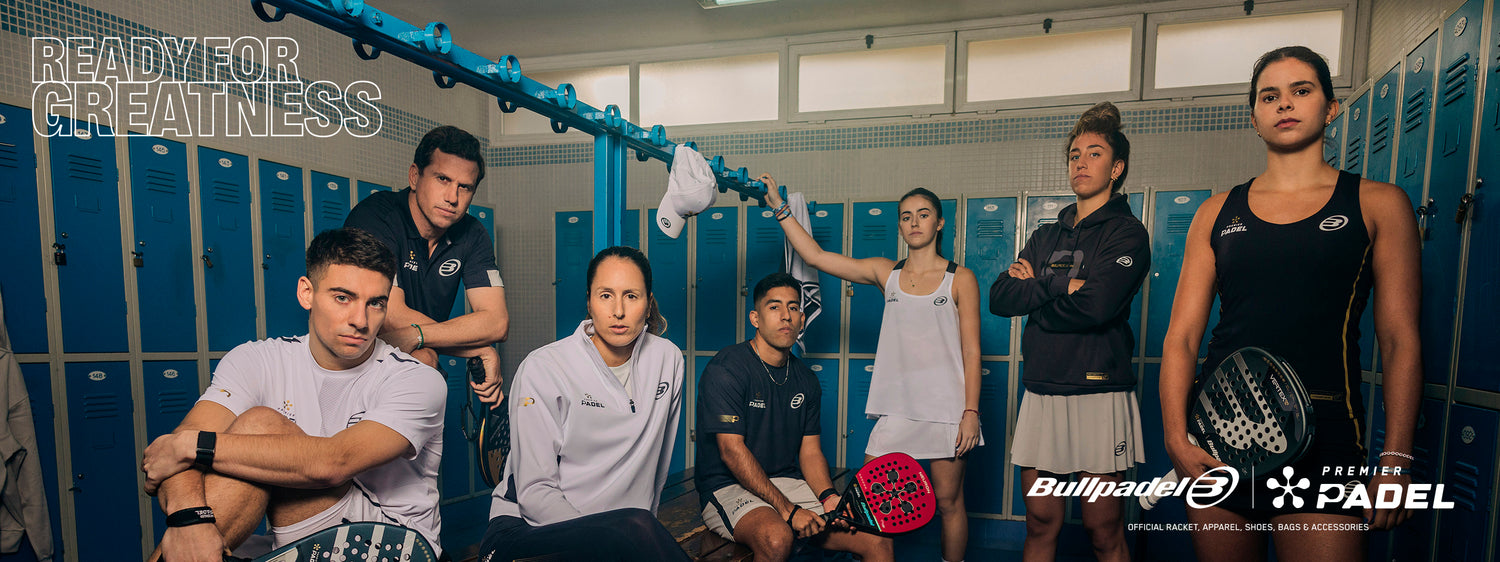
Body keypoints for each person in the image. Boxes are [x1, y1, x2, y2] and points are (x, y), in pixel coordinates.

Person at [1159, 46, 1421, 561]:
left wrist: (1396, 459)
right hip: (1223, 430)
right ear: (1253, 118)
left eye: (1301, 90)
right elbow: (1182, 338)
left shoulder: (1378, 203)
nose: (1284, 104)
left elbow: (1399, 339)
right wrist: (1176, 438)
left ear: (1331, 107)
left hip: (1326, 432)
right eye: (1269, 96)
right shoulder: (1216, 212)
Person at [141, 227, 446, 561]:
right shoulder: (257, 360)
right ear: (306, 293)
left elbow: (333, 462)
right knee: (208, 501)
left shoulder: (416, 379)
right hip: (304, 533)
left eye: (375, 303)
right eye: (343, 298)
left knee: (259, 428)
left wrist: (189, 447)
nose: (361, 320)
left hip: (394, 542)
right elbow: (179, 447)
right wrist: (188, 515)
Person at [764, 179, 982, 562]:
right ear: (900, 226)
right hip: (896, 408)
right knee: (870, 500)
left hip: (947, 409)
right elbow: (816, 256)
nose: (914, 222)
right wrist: (781, 209)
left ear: (939, 223)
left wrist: (970, 412)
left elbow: (971, 351)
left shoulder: (960, 278)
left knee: (949, 503)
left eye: (923, 215)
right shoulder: (886, 273)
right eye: (906, 216)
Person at [989, 101, 1149, 562]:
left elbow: (1097, 307)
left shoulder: (1127, 233)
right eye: (1075, 154)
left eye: (1094, 154)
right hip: (1043, 393)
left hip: (1099, 395)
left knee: (1103, 529)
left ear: (1116, 168)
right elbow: (1001, 297)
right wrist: (1060, 285)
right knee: (1040, 522)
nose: (1081, 162)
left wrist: (1036, 294)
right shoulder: (1046, 236)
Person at [477, 246, 689, 562]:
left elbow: (655, 472)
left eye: (631, 296)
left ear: (648, 304)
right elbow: (534, 493)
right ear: (589, 302)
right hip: (526, 532)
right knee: (634, 527)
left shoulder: (667, 360)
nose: (618, 310)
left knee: (637, 526)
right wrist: (602, 542)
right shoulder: (545, 368)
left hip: (625, 532)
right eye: (606, 296)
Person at [696, 273, 894, 562]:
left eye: (793, 307)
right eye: (774, 307)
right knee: (776, 538)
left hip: (785, 482)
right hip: (727, 486)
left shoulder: (806, 379)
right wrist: (789, 511)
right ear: (755, 318)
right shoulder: (727, 369)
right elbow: (731, 450)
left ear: (802, 319)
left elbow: (810, 451)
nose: (785, 315)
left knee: (877, 539)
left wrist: (828, 496)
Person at [344, 125, 505, 406]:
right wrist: (477, 348)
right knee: (424, 358)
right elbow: (389, 314)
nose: (452, 197)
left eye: (464, 187)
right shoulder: (375, 218)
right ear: (415, 176)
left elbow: (497, 322)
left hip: (415, 351)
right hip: (354, 356)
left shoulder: (472, 233)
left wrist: (418, 334)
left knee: (424, 358)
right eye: (442, 179)